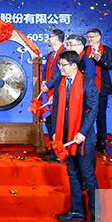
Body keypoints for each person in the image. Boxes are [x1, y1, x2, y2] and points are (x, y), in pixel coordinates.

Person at [51, 50, 99, 222]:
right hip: (65, 137)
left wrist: (82, 132)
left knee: (88, 176)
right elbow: (57, 108)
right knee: (72, 174)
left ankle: (96, 216)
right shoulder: (61, 82)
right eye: (59, 65)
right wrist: (55, 132)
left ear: (74, 66)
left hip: (82, 138)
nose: (60, 68)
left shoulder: (88, 83)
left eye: (63, 65)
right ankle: (77, 210)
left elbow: (92, 110)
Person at [85, 28, 112, 153]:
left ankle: (101, 143)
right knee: (86, 115)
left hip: (102, 87)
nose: (90, 39)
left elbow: (110, 65)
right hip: (87, 87)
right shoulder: (85, 49)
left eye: (92, 37)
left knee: (101, 116)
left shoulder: (107, 50)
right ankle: (87, 141)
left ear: (99, 37)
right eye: (88, 37)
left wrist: (99, 59)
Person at [40, 29, 65, 162]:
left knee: (56, 123)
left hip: (59, 91)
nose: (48, 39)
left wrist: (53, 90)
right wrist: (45, 81)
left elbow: (61, 75)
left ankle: (58, 153)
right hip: (50, 91)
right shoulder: (51, 54)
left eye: (50, 37)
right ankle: (54, 150)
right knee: (51, 121)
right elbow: (47, 70)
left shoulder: (64, 53)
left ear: (56, 38)